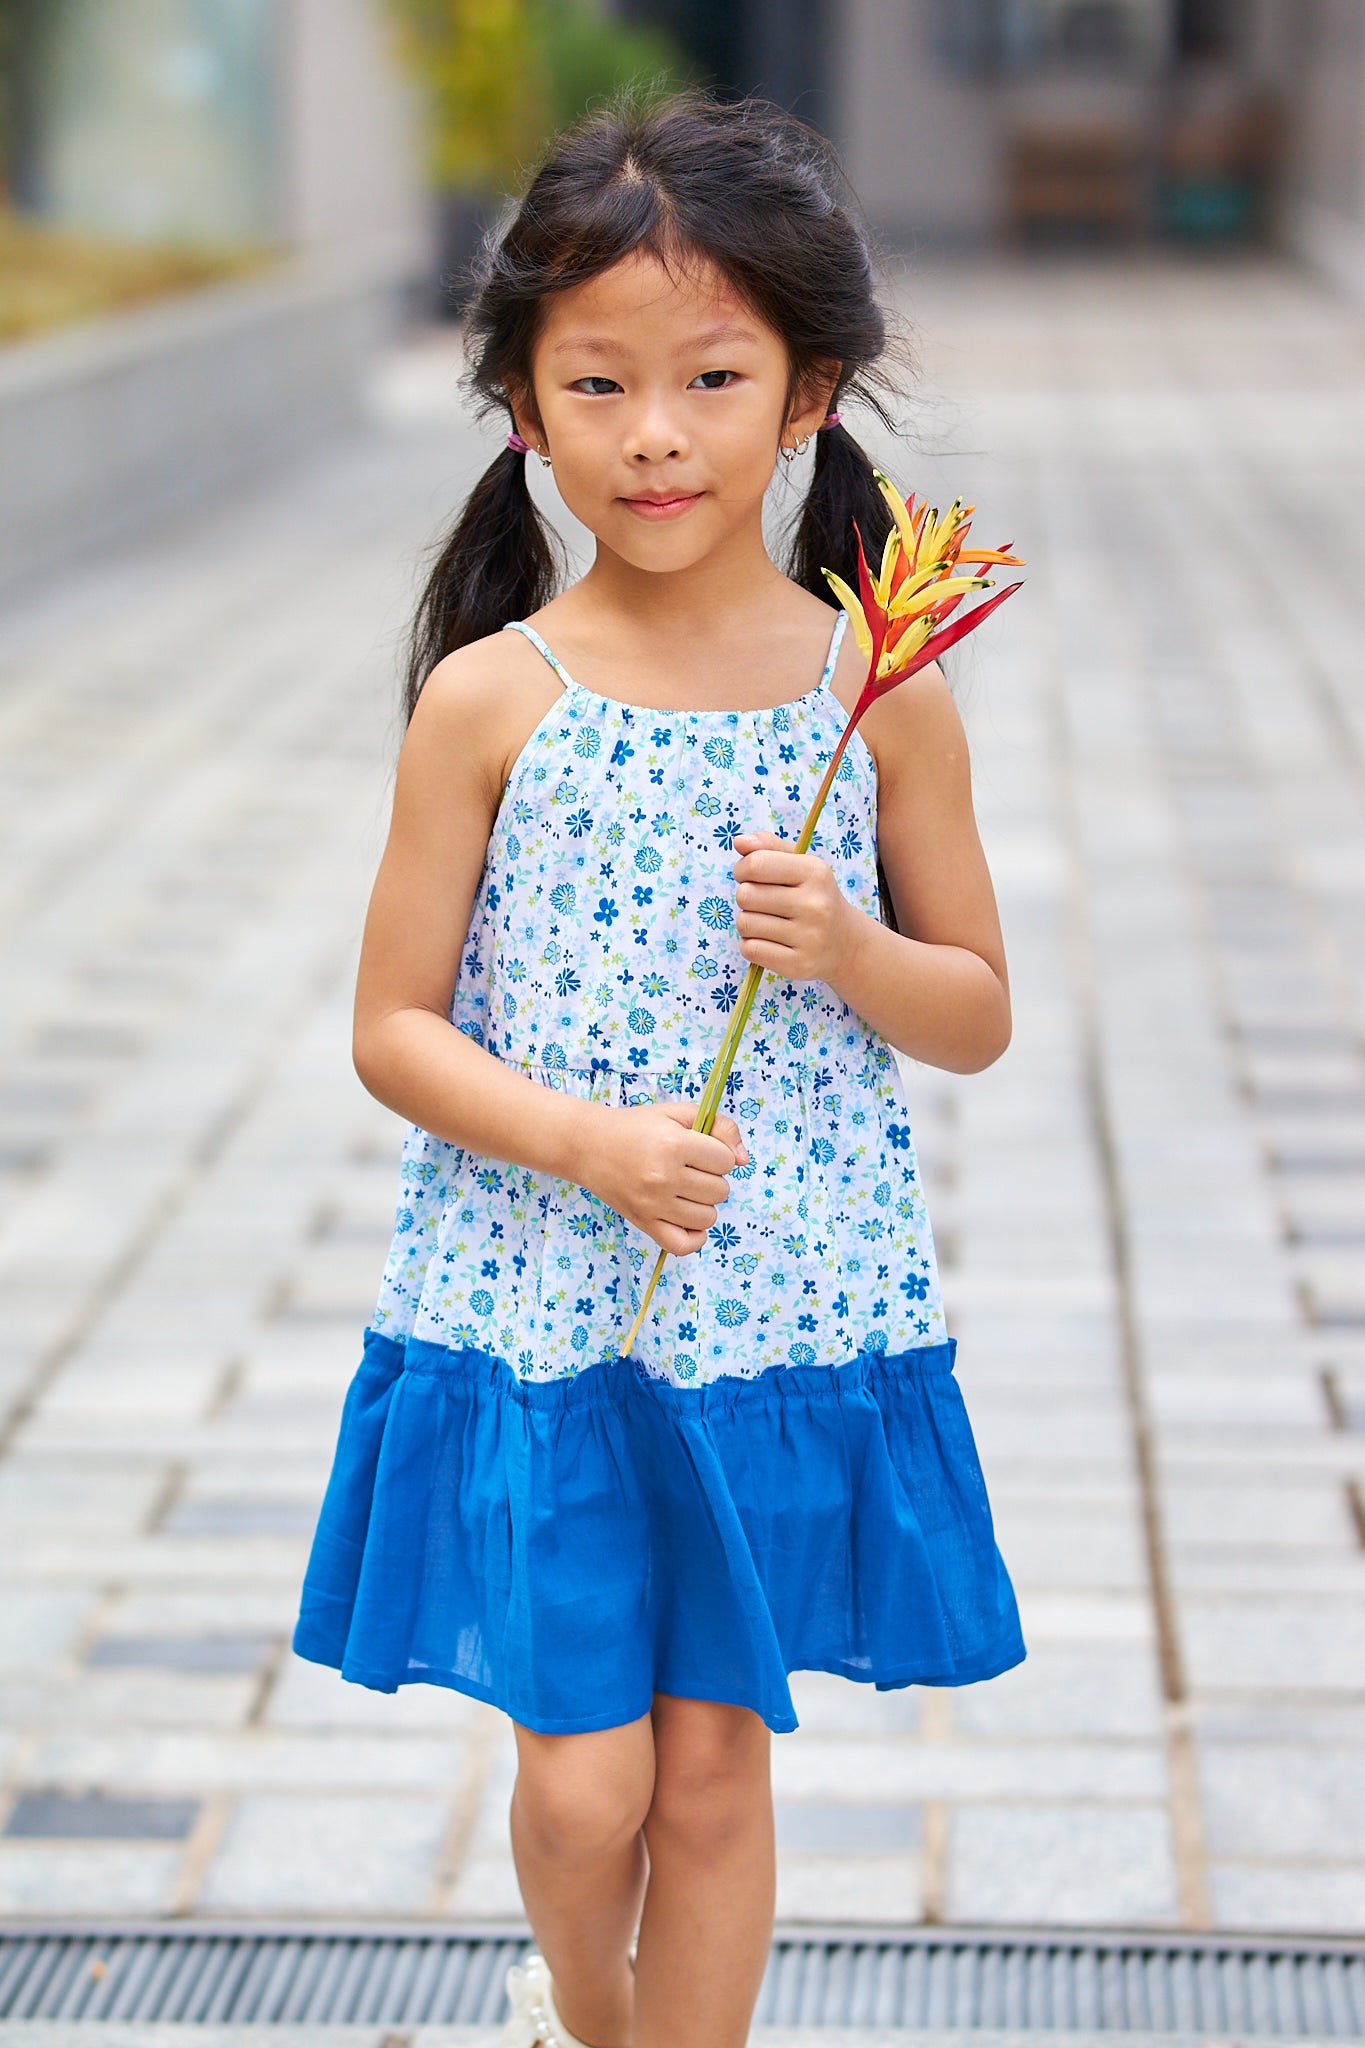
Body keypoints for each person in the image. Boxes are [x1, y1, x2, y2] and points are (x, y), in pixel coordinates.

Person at [293, 90, 1024, 2048]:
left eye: (710, 378)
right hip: (546, 1307)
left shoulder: (875, 694)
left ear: (807, 397)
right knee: (582, 1789)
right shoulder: (490, 699)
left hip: (770, 1314)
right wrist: (585, 1143)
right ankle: (585, 2016)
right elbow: (390, 1026)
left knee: (708, 1780)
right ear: (524, 414)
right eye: (597, 384)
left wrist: (851, 949)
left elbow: (973, 1008)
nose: (654, 434)